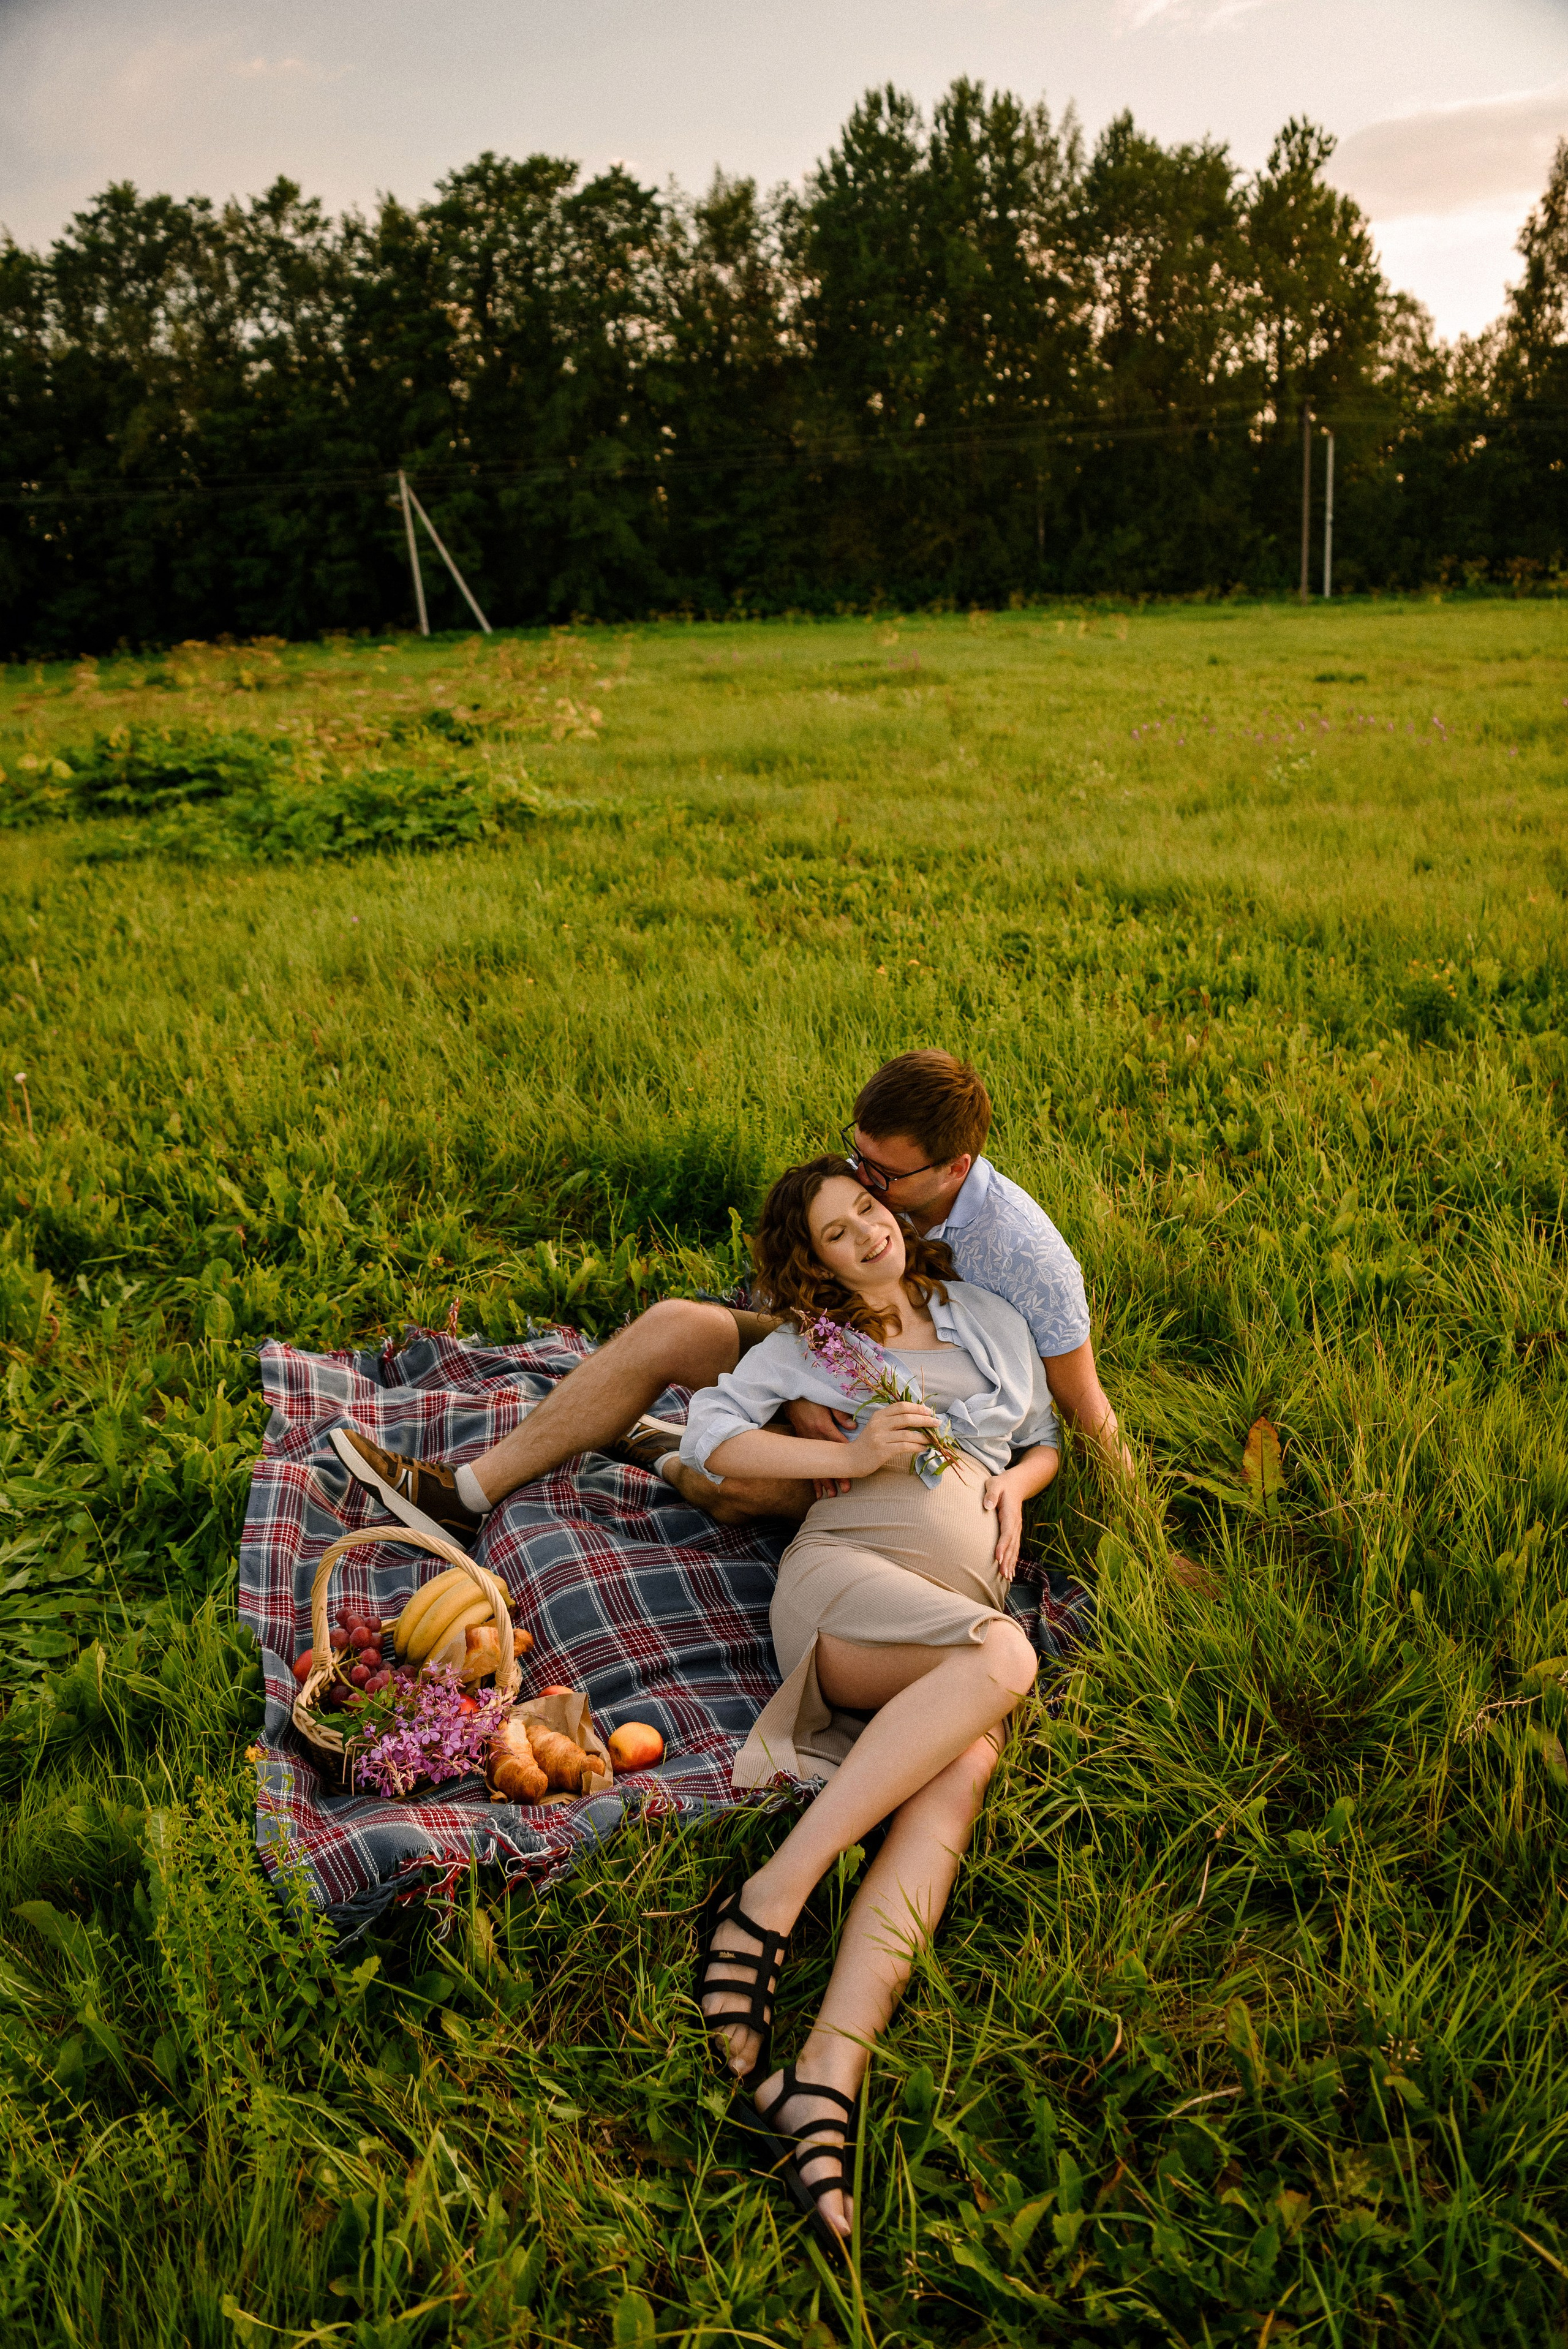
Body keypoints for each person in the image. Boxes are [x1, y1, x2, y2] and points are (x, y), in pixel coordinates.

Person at [684, 1155, 1057, 2253]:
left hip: (947, 1614)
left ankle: (829, 2070)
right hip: (845, 1590)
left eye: (870, 1215)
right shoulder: (810, 1350)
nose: (869, 1239)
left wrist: (1010, 1489)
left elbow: (1038, 1439)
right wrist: (843, 1448)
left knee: (969, 1762)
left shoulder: (981, 1317)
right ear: (817, 1264)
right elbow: (712, 1437)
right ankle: (768, 1898)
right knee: (1007, 1662)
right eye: (839, 1236)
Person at [330, 1050, 1128, 1537]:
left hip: (924, 1442)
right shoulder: (874, 1192)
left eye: (882, 1175)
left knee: (740, 1485)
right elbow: (813, 1277)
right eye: (859, 1156)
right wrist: (809, 1381)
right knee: (676, 1323)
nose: (862, 1181)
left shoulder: (1028, 1260)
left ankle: (658, 1448)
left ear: (954, 1169)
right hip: (836, 1359)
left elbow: (1083, 1406)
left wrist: (1144, 1537)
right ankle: (464, 1494)